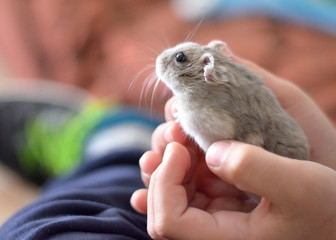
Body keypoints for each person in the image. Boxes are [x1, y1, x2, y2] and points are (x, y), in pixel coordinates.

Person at [1, 45, 336, 240]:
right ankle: (116, 141)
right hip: (242, 195)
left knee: (38, 231)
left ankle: (117, 139)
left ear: (209, 71)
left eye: (180, 60)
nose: (162, 61)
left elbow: (229, 130)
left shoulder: (220, 97)